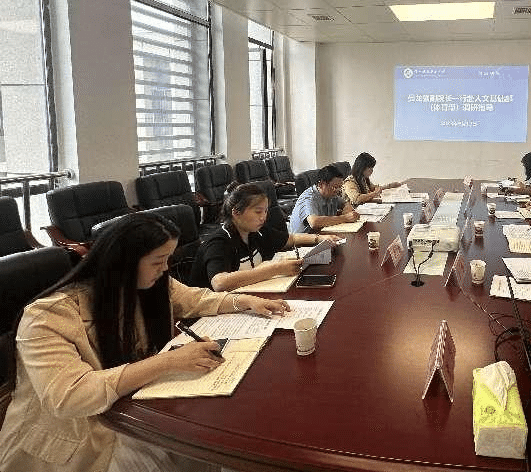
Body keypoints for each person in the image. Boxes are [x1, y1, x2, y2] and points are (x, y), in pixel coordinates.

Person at [0, 212, 289, 472]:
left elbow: (196, 299)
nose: (165, 269)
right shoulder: (47, 316)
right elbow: (69, 396)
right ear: (122, 263)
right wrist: (168, 361)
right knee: (206, 448)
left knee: (215, 441)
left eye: (168, 259)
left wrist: (245, 301)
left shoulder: (149, 284)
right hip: (79, 440)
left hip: (130, 412)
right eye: (158, 261)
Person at [191, 182, 336, 292]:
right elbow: (220, 283)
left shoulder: (255, 231)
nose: (263, 217)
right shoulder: (219, 242)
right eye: (258, 212)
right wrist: (275, 269)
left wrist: (319, 238)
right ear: (236, 212)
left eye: (265, 211)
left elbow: (290, 239)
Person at [289, 164, 359, 233]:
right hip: (305, 237)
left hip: (323, 232)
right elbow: (314, 222)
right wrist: (345, 218)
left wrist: (347, 209)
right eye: (335, 187)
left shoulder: (331, 194)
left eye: (340, 187)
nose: (337, 190)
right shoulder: (309, 198)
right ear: (321, 184)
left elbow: (345, 203)